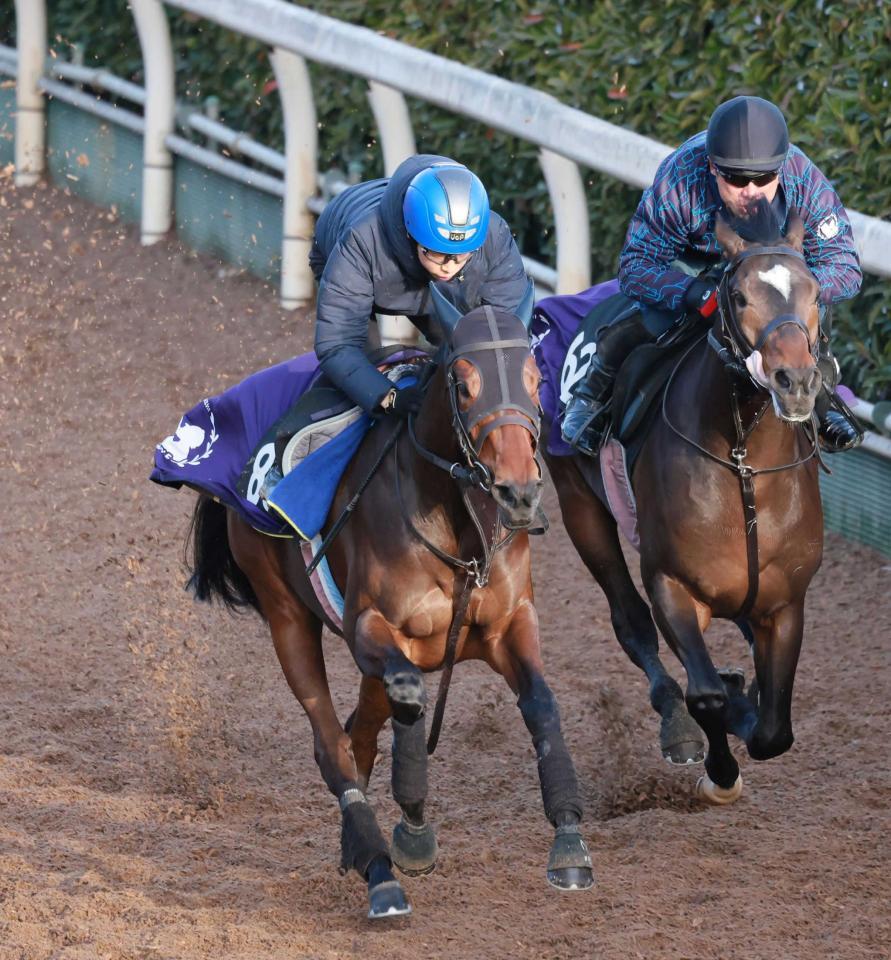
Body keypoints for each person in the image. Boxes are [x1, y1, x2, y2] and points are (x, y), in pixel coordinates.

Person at [561, 95, 863, 454]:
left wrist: (800, 288)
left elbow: (845, 266)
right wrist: (691, 291)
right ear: (712, 167)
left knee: (810, 306)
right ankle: (592, 393)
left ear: (780, 169)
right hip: (694, 263)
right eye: (735, 178)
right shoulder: (680, 179)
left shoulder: (805, 181)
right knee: (652, 315)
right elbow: (635, 266)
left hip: (772, 273)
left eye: (764, 177)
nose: (750, 191)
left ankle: (825, 398)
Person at [309, 154, 529, 418]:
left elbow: (505, 337)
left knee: (457, 352)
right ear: (411, 235)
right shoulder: (360, 242)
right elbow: (337, 344)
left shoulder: (495, 236)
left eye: (462, 255)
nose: (449, 266)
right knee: (364, 379)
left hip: (422, 279)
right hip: (347, 250)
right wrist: (388, 398)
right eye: (437, 253)